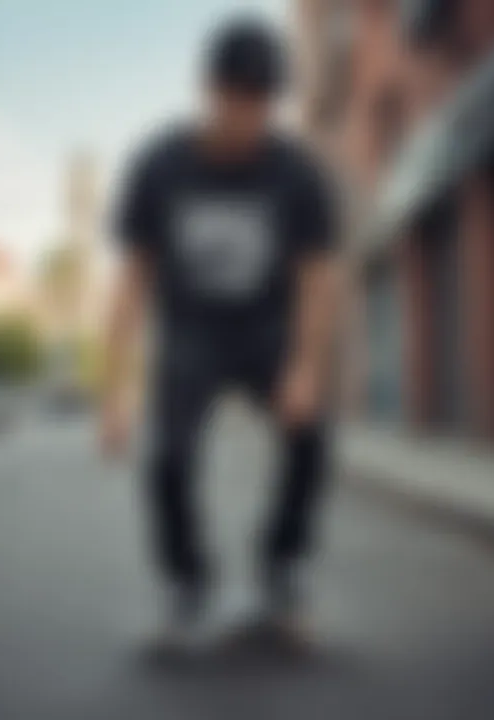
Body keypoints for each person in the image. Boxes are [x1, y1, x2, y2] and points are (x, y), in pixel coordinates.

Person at [101, 17, 340, 652]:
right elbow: (130, 283)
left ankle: (280, 568)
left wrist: (306, 368)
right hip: (191, 334)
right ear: (208, 90)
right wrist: (114, 389)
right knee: (169, 458)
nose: (250, 118)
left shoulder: (297, 173)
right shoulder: (159, 165)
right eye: (238, 99)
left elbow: (317, 280)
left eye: (263, 103)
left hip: (267, 331)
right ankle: (188, 583)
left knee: (312, 439)